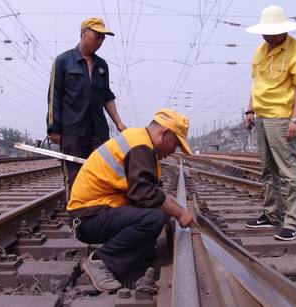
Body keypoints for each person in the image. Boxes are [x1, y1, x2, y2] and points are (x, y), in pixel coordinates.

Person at [67, 108, 198, 291]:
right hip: (87, 218)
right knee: (154, 218)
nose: (174, 151)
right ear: (165, 133)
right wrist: (180, 213)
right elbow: (146, 196)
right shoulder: (140, 147)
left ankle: (134, 261)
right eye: (176, 144)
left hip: (96, 213)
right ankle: (100, 262)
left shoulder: (140, 142)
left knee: (157, 212)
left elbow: (150, 193)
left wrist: (171, 207)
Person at [244, 5, 296, 241]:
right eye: (263, 32)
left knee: (289, 171)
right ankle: (271, 214)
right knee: (267, 170)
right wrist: (250, 110)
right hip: (262, 117)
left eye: (269, 32)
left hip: (282, 117)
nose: (265, 36)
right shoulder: (260, 51)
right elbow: (256, 83)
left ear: (281, 31)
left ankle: (294, 223)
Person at [46, 17, 126, 197]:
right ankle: (76, 217)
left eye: (103, 38)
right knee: (75, 175)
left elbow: (107, 96)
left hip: (98, 131)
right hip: (73, 131)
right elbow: (54, 96)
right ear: (83, 33)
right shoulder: (63, 61)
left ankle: (95, 216)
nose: (100, 41)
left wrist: (120, 124)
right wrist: (53, 128)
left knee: (100, 174)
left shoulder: (102, 66)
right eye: (97, 36)